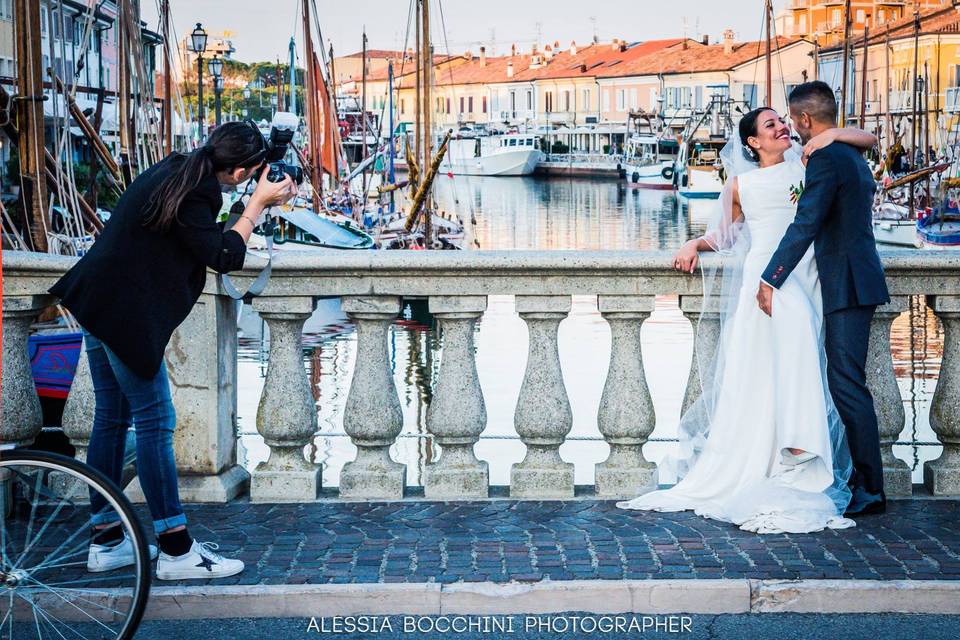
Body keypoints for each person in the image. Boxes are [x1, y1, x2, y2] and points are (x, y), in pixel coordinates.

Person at [48, 121, 296, 579]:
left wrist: (246, 202)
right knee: (156, 423)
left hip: (97, 299)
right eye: (254, 174)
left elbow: (199, 237)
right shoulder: (198, 192)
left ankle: (106, 540)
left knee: (111, 418)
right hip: (123, 315)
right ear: (240, 172)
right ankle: (177, 550)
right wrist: (258, 206)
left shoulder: (179, 170)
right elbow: (223, 255)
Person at [617, 100, 878, 533]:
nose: (780, 128)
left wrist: (830, 133)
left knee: (796, 361)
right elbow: (724, 235)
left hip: (805, 272)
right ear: (753, 142)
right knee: (767, 359)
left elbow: (867, 140)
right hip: (768, 275)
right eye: (770, 125)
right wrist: (694, 246)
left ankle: (796, 445)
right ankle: (791, 449)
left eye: (782, 121)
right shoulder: (740, 185)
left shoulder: (809, 160)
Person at [757, 81, 891, 516]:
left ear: (804, 120)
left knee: (848, 385)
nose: (792, 128)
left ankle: (870, 489)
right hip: (854, 277)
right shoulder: (847, 152)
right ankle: (862, 481)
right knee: (847, 383)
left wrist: (771, 276)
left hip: (847, 281)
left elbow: (806, 223)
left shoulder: (828, 159)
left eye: (793, 120)